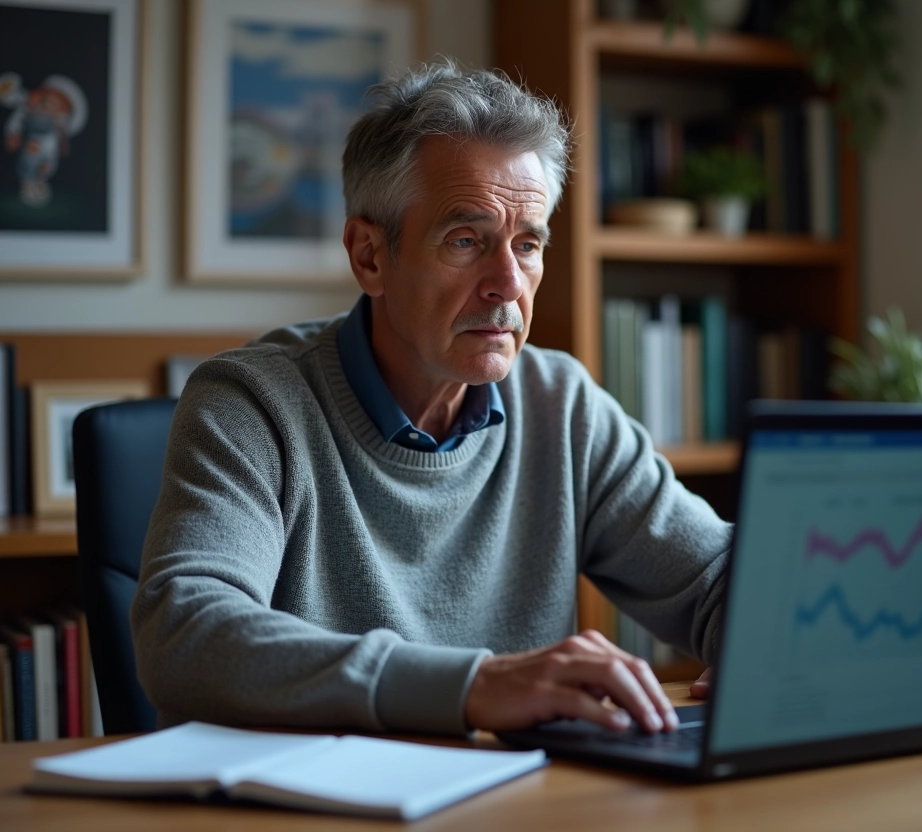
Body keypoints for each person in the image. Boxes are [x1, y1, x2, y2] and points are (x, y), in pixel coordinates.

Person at [131, 60, 730, 738]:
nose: (507, 283)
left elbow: (713, 573)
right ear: (370, 256)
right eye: (466, 240)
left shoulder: (560, 403)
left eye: (527, 244)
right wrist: (473, 686)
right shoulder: (251, 405)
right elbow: (185, 633)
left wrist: (761, 639)